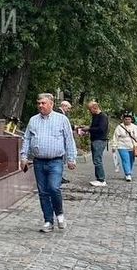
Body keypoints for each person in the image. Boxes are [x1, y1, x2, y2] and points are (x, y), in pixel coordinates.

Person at [21, 92, 78, 232]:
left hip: (55, 161)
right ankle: (48, 221)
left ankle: (59, 214)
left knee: (54, 188)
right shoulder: (33, 120)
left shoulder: (61, 119)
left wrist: (71, 158)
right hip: (39, 161)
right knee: (43, 192)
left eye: (43, 103)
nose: (40, 105)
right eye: (39, 103)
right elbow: (27, 139)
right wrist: (24, 157)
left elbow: (69, 139)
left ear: (51, 104)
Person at [112, 111, 137, 181]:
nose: (127, 120)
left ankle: (129, 172)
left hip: (132, 147)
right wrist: (114, 146)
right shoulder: (119, 127)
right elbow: (115, 137)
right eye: (126, 119)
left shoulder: (134, 127)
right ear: (123, 120)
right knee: (125, 160)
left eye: (129, 119)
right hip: (122, 146)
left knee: (131, 161)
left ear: (131, 120)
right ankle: (127, 174)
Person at [85, 100, 110, 187]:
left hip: (100, 140)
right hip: (95, 139)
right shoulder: (95, 116)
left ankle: (101, 179)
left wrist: (89, 129)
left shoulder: (102, 116)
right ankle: (98, 178)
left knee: (97, 160)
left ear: (94, 108)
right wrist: (89, 129)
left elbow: (101, 129)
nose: (89, 111)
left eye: (90, 109)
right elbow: (95, 127)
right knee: (96, 159)